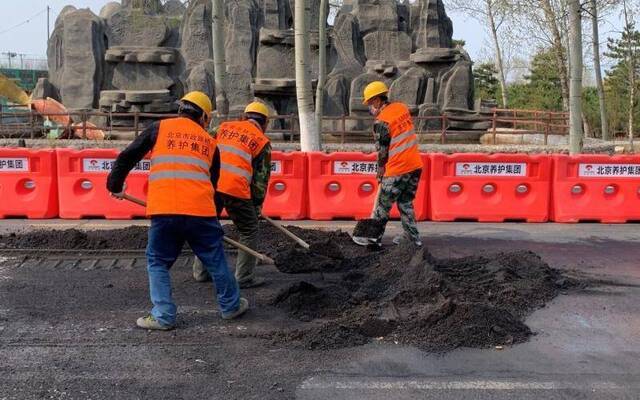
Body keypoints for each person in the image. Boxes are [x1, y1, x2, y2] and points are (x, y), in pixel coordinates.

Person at [107, 91, 248, 330]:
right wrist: (211, 220)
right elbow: (214, 184)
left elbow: (128, 156)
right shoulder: (210, 142)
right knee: (215, 261)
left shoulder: (159, 128)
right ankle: (231, 306)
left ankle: (163, 315)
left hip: (165, 210)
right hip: (201, 212)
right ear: (204, 116)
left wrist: (114, 184)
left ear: (181, 109)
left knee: (158, 261)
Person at [192, 101, 272, 289]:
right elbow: (260, 181)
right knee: (249, 229)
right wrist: (256, 207)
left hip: (211, 185)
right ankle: (244, 277)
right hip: (236, 189)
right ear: (265, 123)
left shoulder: (223, 127)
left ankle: (200, 272)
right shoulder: (262, 141)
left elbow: (203, 144)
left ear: (244, 118)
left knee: (207, 226)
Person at [352, 81, 424, 247]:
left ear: (377, 100)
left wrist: (380, 170)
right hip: (414, 165)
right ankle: (413, 238)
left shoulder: (381, 122)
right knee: (405, 202)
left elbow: (382, 152)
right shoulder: (401, 108)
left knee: (383, 204)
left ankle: (372, 237)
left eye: (370, 103)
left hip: (397, 168)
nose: (370, 107)